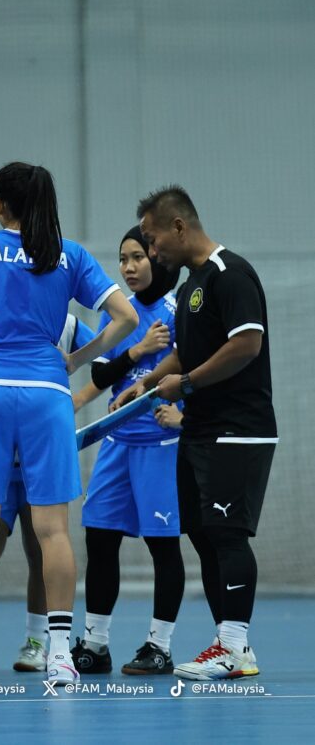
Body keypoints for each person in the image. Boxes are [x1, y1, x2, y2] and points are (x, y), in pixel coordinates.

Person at [0, 162, 138, 685]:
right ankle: (60, 654)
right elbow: (124, 318)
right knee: (53, 529)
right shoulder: (68, 254)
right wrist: (78, 360)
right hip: (47, 390)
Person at [115, 186, 276, 680]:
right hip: (201, 430)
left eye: (153, 238)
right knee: (205, 537)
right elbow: (188, 351)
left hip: (238, 431)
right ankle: (225, 642)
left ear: (179, 227)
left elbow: (246, 344)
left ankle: (236, 648)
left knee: (226, 536)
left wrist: (184, 384)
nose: (153, 249)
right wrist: (145, 384)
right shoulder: (188, 288)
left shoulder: (232, 274)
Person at [0, 314, 99, 675]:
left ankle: (37, 641)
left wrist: (76, 398)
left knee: (39, 545)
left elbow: (107, 360)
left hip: (37, 460)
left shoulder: (68, 325)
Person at [71, 225, 185, 677]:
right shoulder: (121, 314)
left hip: (161, 445)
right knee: (98, 538)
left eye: (138, 256)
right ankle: (96, 644)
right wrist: (137, 350)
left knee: (163, 546)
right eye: (123, 259)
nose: (128, 267)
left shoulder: (177, 312)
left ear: (158, 260)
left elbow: (196, 369)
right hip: (117, 443)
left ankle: (159, 647)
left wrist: (183, 413)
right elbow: (101, 375)